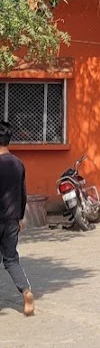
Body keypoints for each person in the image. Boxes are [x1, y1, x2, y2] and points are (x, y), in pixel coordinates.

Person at [0, 122, 35, 316]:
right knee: (11, 259)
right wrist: (21, 217)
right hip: (12, 219)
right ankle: (26, 291)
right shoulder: (17, 163)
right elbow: (22, 193)